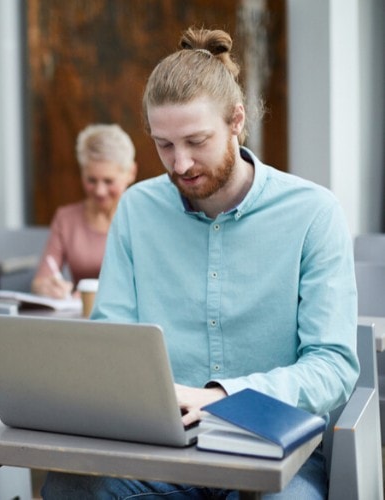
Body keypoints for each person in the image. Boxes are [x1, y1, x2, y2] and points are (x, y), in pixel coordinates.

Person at [42, 27, 358, 499]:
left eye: (196, 140)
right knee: (71, 486)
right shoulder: (137, 209)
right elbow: (113, 338)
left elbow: (332, 365)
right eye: (164, 145)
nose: (181, 164)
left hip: (274, 447)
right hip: (164, 448)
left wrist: (221, 398)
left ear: (236, 120)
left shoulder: (313, 212)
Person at [31, 124, 137, 298]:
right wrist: (47, 287)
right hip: (80, 319)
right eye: (91, 180)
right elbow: (40, 281)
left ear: (131, 173)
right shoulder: (66, 219)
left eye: (109, 181)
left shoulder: (142, 218)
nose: (99, 191)